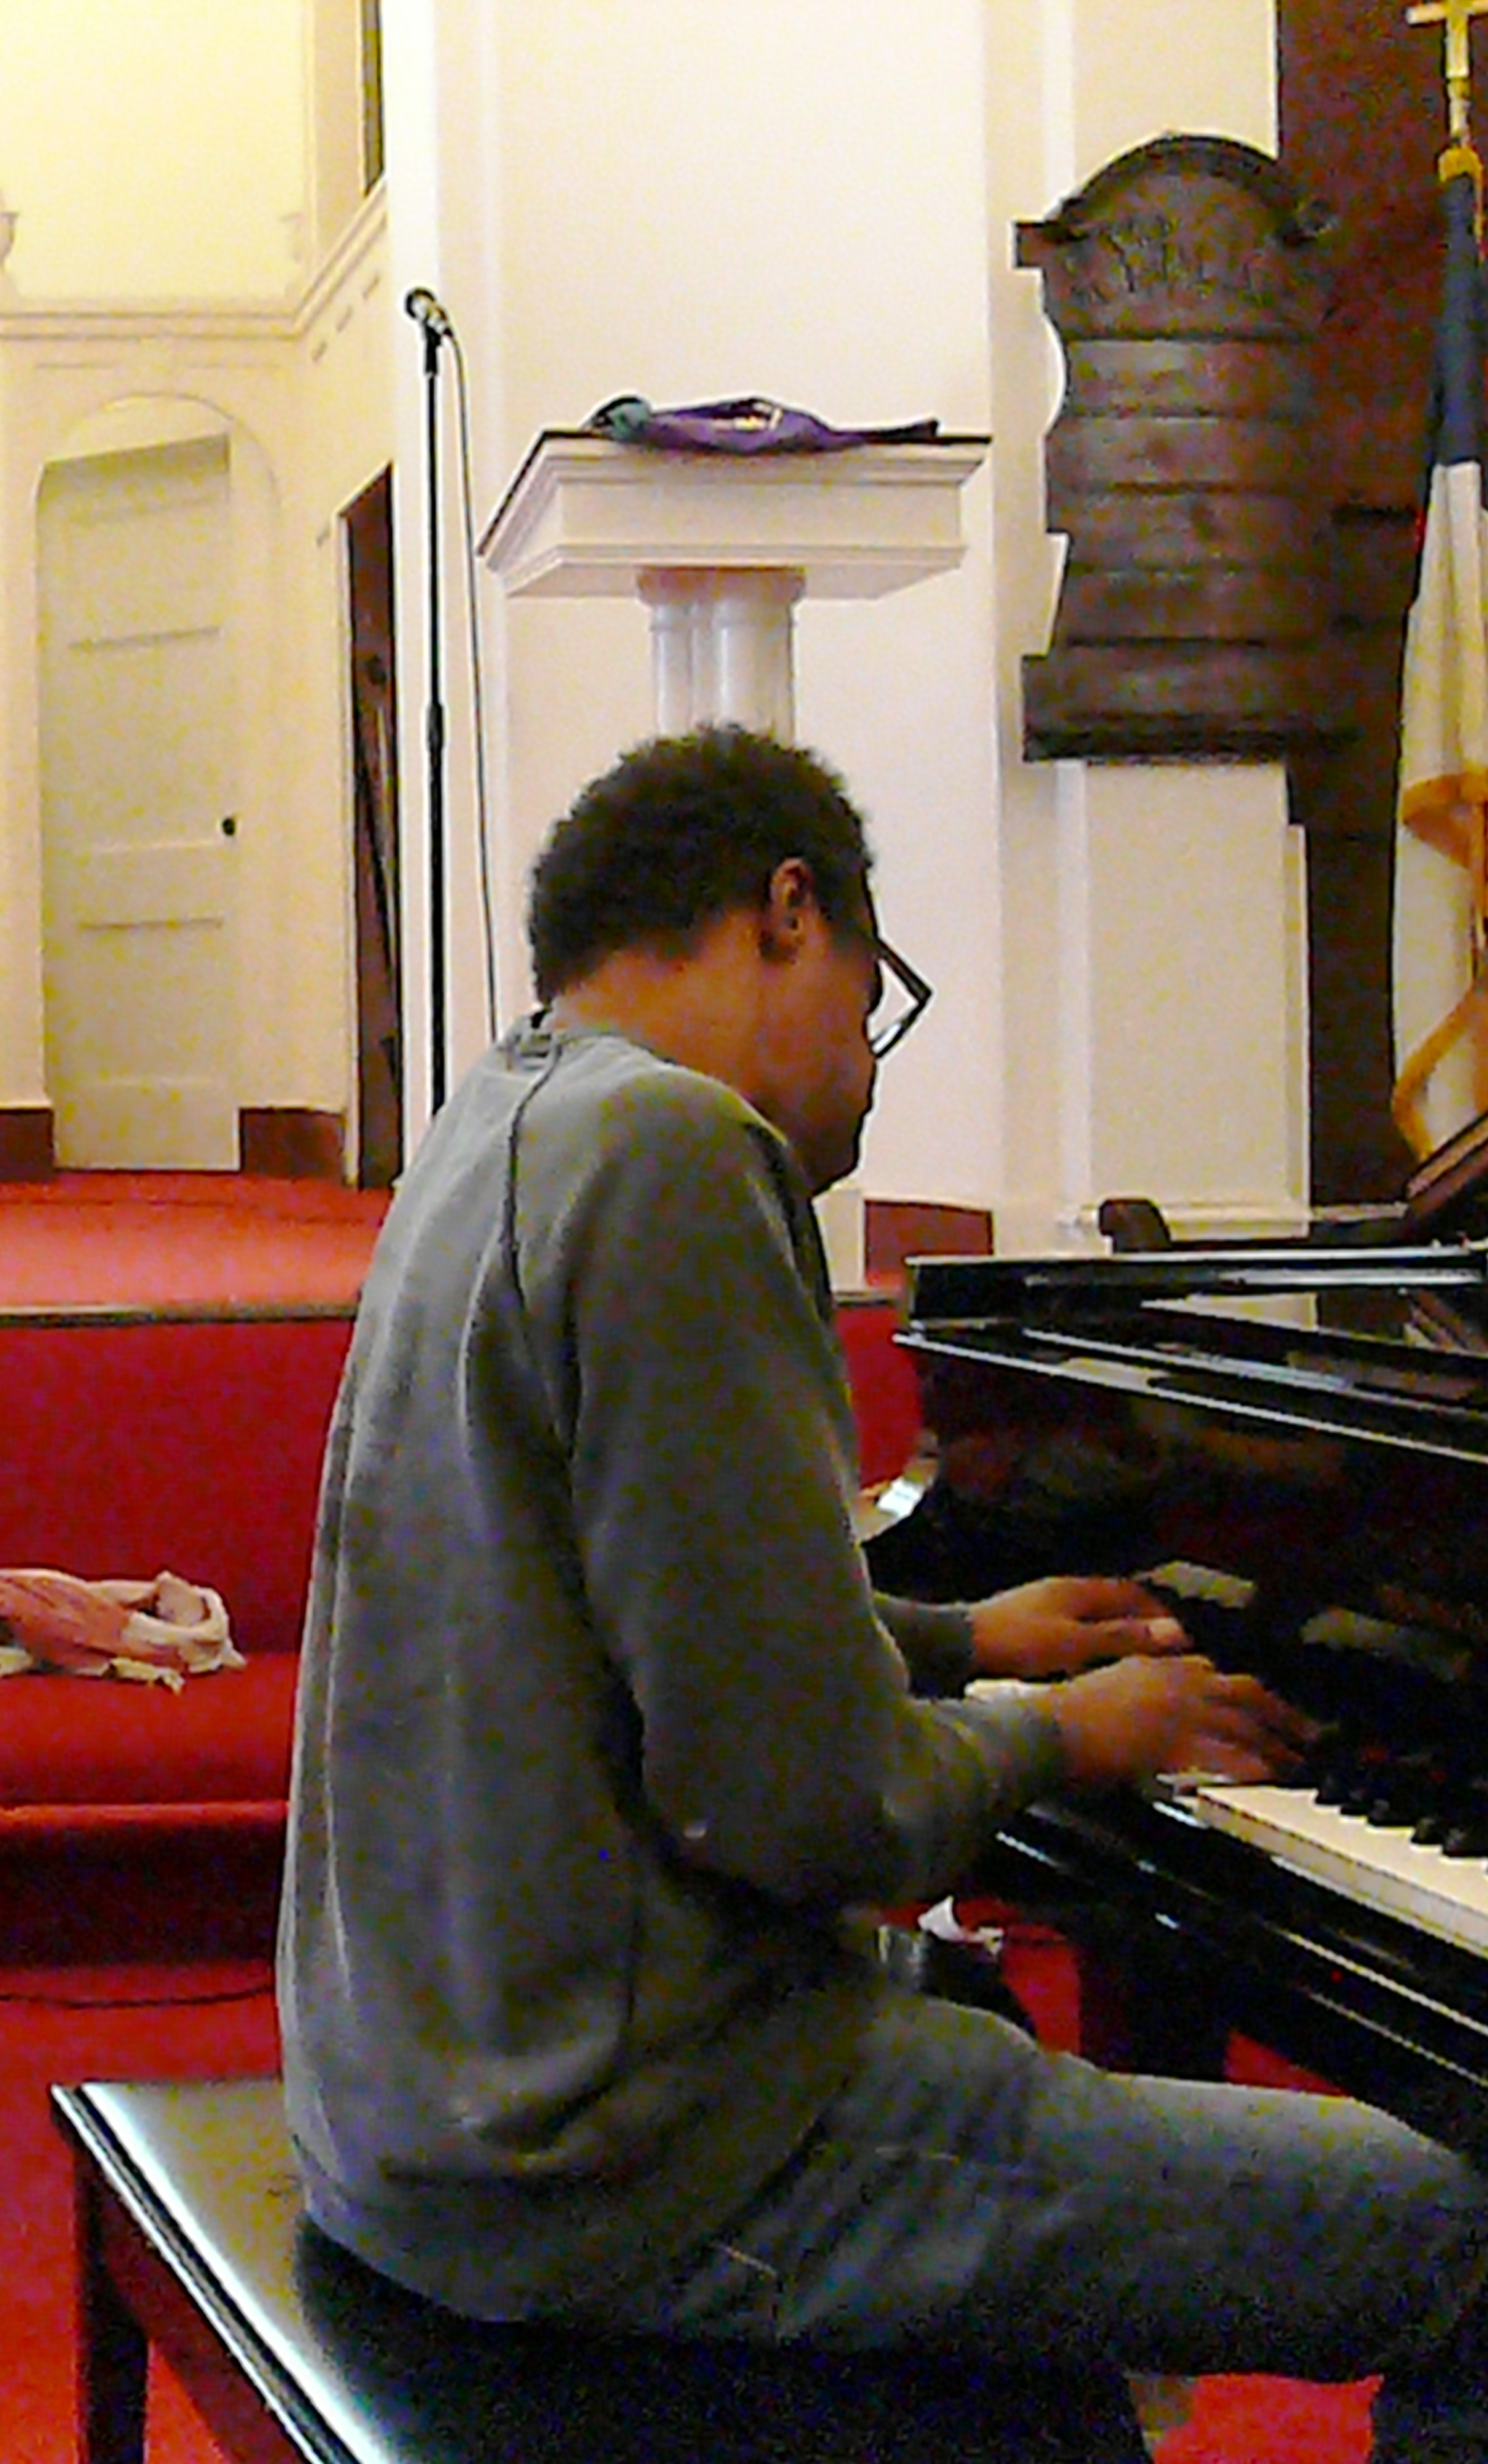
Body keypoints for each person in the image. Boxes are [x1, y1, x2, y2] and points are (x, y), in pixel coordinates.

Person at [281, 722, 1488, 2453]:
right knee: (1460, 2229)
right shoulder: (681, 1157)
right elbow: (806, 1809)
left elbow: (606, 1609)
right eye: (872, 992)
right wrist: (1064, 1736)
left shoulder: (501, 1123)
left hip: (422, 2117)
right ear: (789, 910)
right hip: (630, 2163)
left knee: (976, 2017)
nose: (868, 1066)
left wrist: (957, 1637)